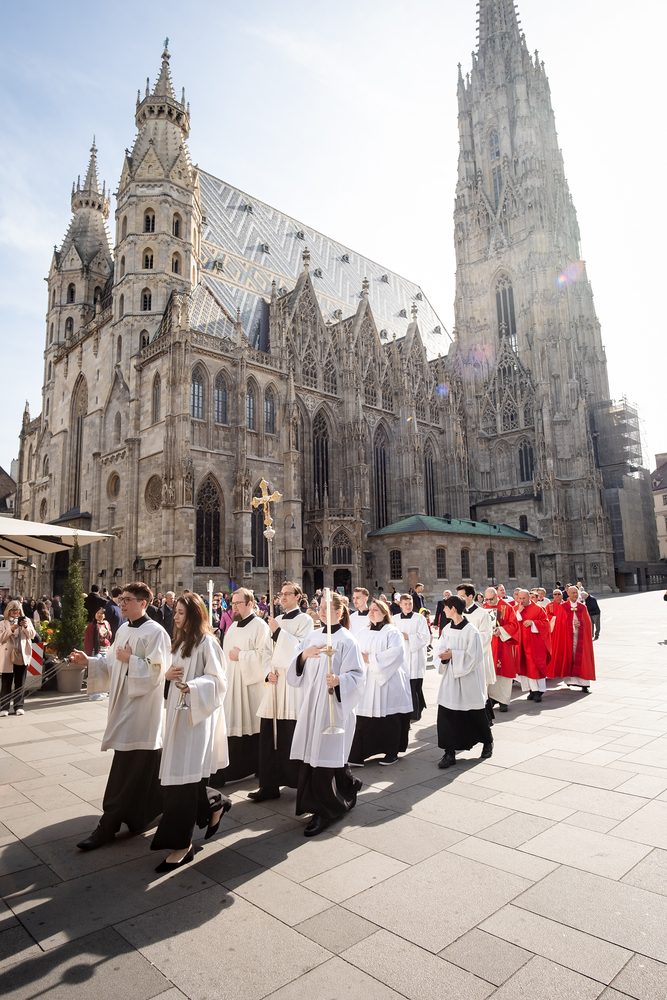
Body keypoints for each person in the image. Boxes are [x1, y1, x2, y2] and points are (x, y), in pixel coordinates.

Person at [69, 582, 172, 850]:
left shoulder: (156, 633)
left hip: (141, 710)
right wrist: (89, 661)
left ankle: (108, 825)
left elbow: (160, 672)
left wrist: (131, 660)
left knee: (127, 766)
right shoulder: (124, 629)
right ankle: (140, 817)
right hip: (123, 704)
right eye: (122, 599)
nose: (122, 603)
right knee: (141, 765)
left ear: (143, 603)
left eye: (128, 599)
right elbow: (111, 663)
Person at [151, 593, 231, 872]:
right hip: (177, 713)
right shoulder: (181, 642)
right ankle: (215, 802)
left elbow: (219, 681)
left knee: (183, 781)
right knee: (181, 776)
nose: (175, 617)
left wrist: (193, 687)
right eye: (175, 612)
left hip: (197, 718)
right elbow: (171, 673)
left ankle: (182, 845)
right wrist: (167, 676)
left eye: (181, 613)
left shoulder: (208, 643)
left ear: (194, 615)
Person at [287, 591, 364, 836]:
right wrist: (303, 655)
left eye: (326, 608)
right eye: (319, 607)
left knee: (325, 756)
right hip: (312, 703)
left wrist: (340, 680)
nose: (320, 611)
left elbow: (358, 676)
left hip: (333, 707)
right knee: (314, 754)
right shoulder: (312, 636)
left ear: (339, 612)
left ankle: (324, 810)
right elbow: (295, 666)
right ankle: (347, 787)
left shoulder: (347, 640)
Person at [249, 582, 314, 802]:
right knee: (269, 735)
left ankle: (298, 782)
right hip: (275, 683)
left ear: (298, 596)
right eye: (281, 594)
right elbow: (267, 651)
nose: (283, 597)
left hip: (292, 684)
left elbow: (302, 650)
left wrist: (278, 632)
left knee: (289, 734)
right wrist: (268, 672)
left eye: (287, 594)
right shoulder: (276, 620)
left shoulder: (305, 620)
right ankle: (269, 785)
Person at [211, 588, 269, 785]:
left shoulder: (260, 626)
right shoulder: (234, 627)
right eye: (232, 603)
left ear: (250, 604)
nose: (233, 607)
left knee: (251, 726)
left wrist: (242, 656)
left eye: (237, 603)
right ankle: (225, 771)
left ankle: (255, 767)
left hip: (250, 686)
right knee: (231, 725)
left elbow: (265, 657)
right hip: (232, 682)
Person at [349, 598, 412, 766]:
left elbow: (397, 654)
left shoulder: (392, 632)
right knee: (363, 717)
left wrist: (370, 659)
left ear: (384, 613)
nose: (371, 612)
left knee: (389, 717)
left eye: (375, 610)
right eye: (370, 609)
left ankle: (391, 753)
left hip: (388, 680)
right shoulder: (363, 631)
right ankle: (358, 754)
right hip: (367, 680)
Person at [432, 595, 492, 768]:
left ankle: (487, 742)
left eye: (445, 607)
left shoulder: (471, 631)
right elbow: (439, 648)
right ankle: (449, 753)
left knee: (475, 714)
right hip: (450, 678)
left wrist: (454, 655)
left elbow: (475, 657)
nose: (443, 610)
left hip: (468, 679)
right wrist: (443, 657)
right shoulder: (447, 629)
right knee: (446, 715)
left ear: (453, 609)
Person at [456, 585, 495, 718]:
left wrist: (469, 650)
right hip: (462, 656)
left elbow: (485, 636)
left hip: (478, 656)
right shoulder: (458, 614)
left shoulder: (482, 614)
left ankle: (485, 719)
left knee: (480, 688)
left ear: (470, 596)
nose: (459, 599)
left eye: (462, 596)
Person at [550, 586, 596, 692]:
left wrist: (581, 624)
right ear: (568, 594)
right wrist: (570, 624)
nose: (574, 595)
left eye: (576, 592)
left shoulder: (582, 607)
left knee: (582, 658)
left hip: (580, 637)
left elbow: (588, 623)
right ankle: (571, 680)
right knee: (569, 657)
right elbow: (560, 623)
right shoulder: (563, 607)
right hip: (567, 638)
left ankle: (584, 683)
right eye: (572, 593)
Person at [393, 592, 430, 720]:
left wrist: (408, 637)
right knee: (404, 686)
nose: (408, 606)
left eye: (410, 604)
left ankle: (416, 712)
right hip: (402, 657)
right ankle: (405, 710)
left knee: (415, 686)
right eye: (405, 604)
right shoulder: (395, 619)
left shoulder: (419, 618)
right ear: (400, 605)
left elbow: (425, 637)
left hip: (415, 656)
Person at [483, 587, 519, 713]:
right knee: (490, 671)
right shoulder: (483, 607)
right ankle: (492, 699)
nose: (489, 601)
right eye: (487, 599)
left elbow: (514, 625)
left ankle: (504, 701)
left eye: (491, 599)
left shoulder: (507, 607)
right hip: (489, 645)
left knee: (504, 673)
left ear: (497, 596)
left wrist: (502, 630)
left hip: (503, 644)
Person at [515, 589, 552, 703]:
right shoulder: (516, 609)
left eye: (524, 598)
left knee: (535, 666)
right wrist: (518, 612)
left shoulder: (538, 609)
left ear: (529, 597)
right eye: (520, 598)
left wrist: (533, 623)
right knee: (526, 667)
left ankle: (539, 691)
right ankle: (531, 690)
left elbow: (545, 623)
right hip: (522, 643)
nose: (522, 601)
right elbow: (511, 623)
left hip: (535, 643)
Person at [0, 602, 35, 717]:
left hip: (21, 654)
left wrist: (25, 627)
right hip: (7, 656)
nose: (15, 613)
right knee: (6, 682)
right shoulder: (2, 623)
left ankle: (19, 706)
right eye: (13, 610)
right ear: (8, 611)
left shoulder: (27, 621)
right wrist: (10, 630)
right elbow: (0, 638)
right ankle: (4, 707)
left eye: (18, 610)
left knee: (20, 682)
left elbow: (32, 635)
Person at [84, 608, 112, 701]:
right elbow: (88, 640)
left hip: (106, 649)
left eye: (101, 613)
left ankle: (104, 691)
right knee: (96, 673)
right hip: (96, 651)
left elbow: (108, 636)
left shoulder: (106, 624)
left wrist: (109, 633)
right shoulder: (92, 626)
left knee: (104, 672)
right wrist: (88, 654)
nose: (99, 615)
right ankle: (95, 694)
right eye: (98, 613)